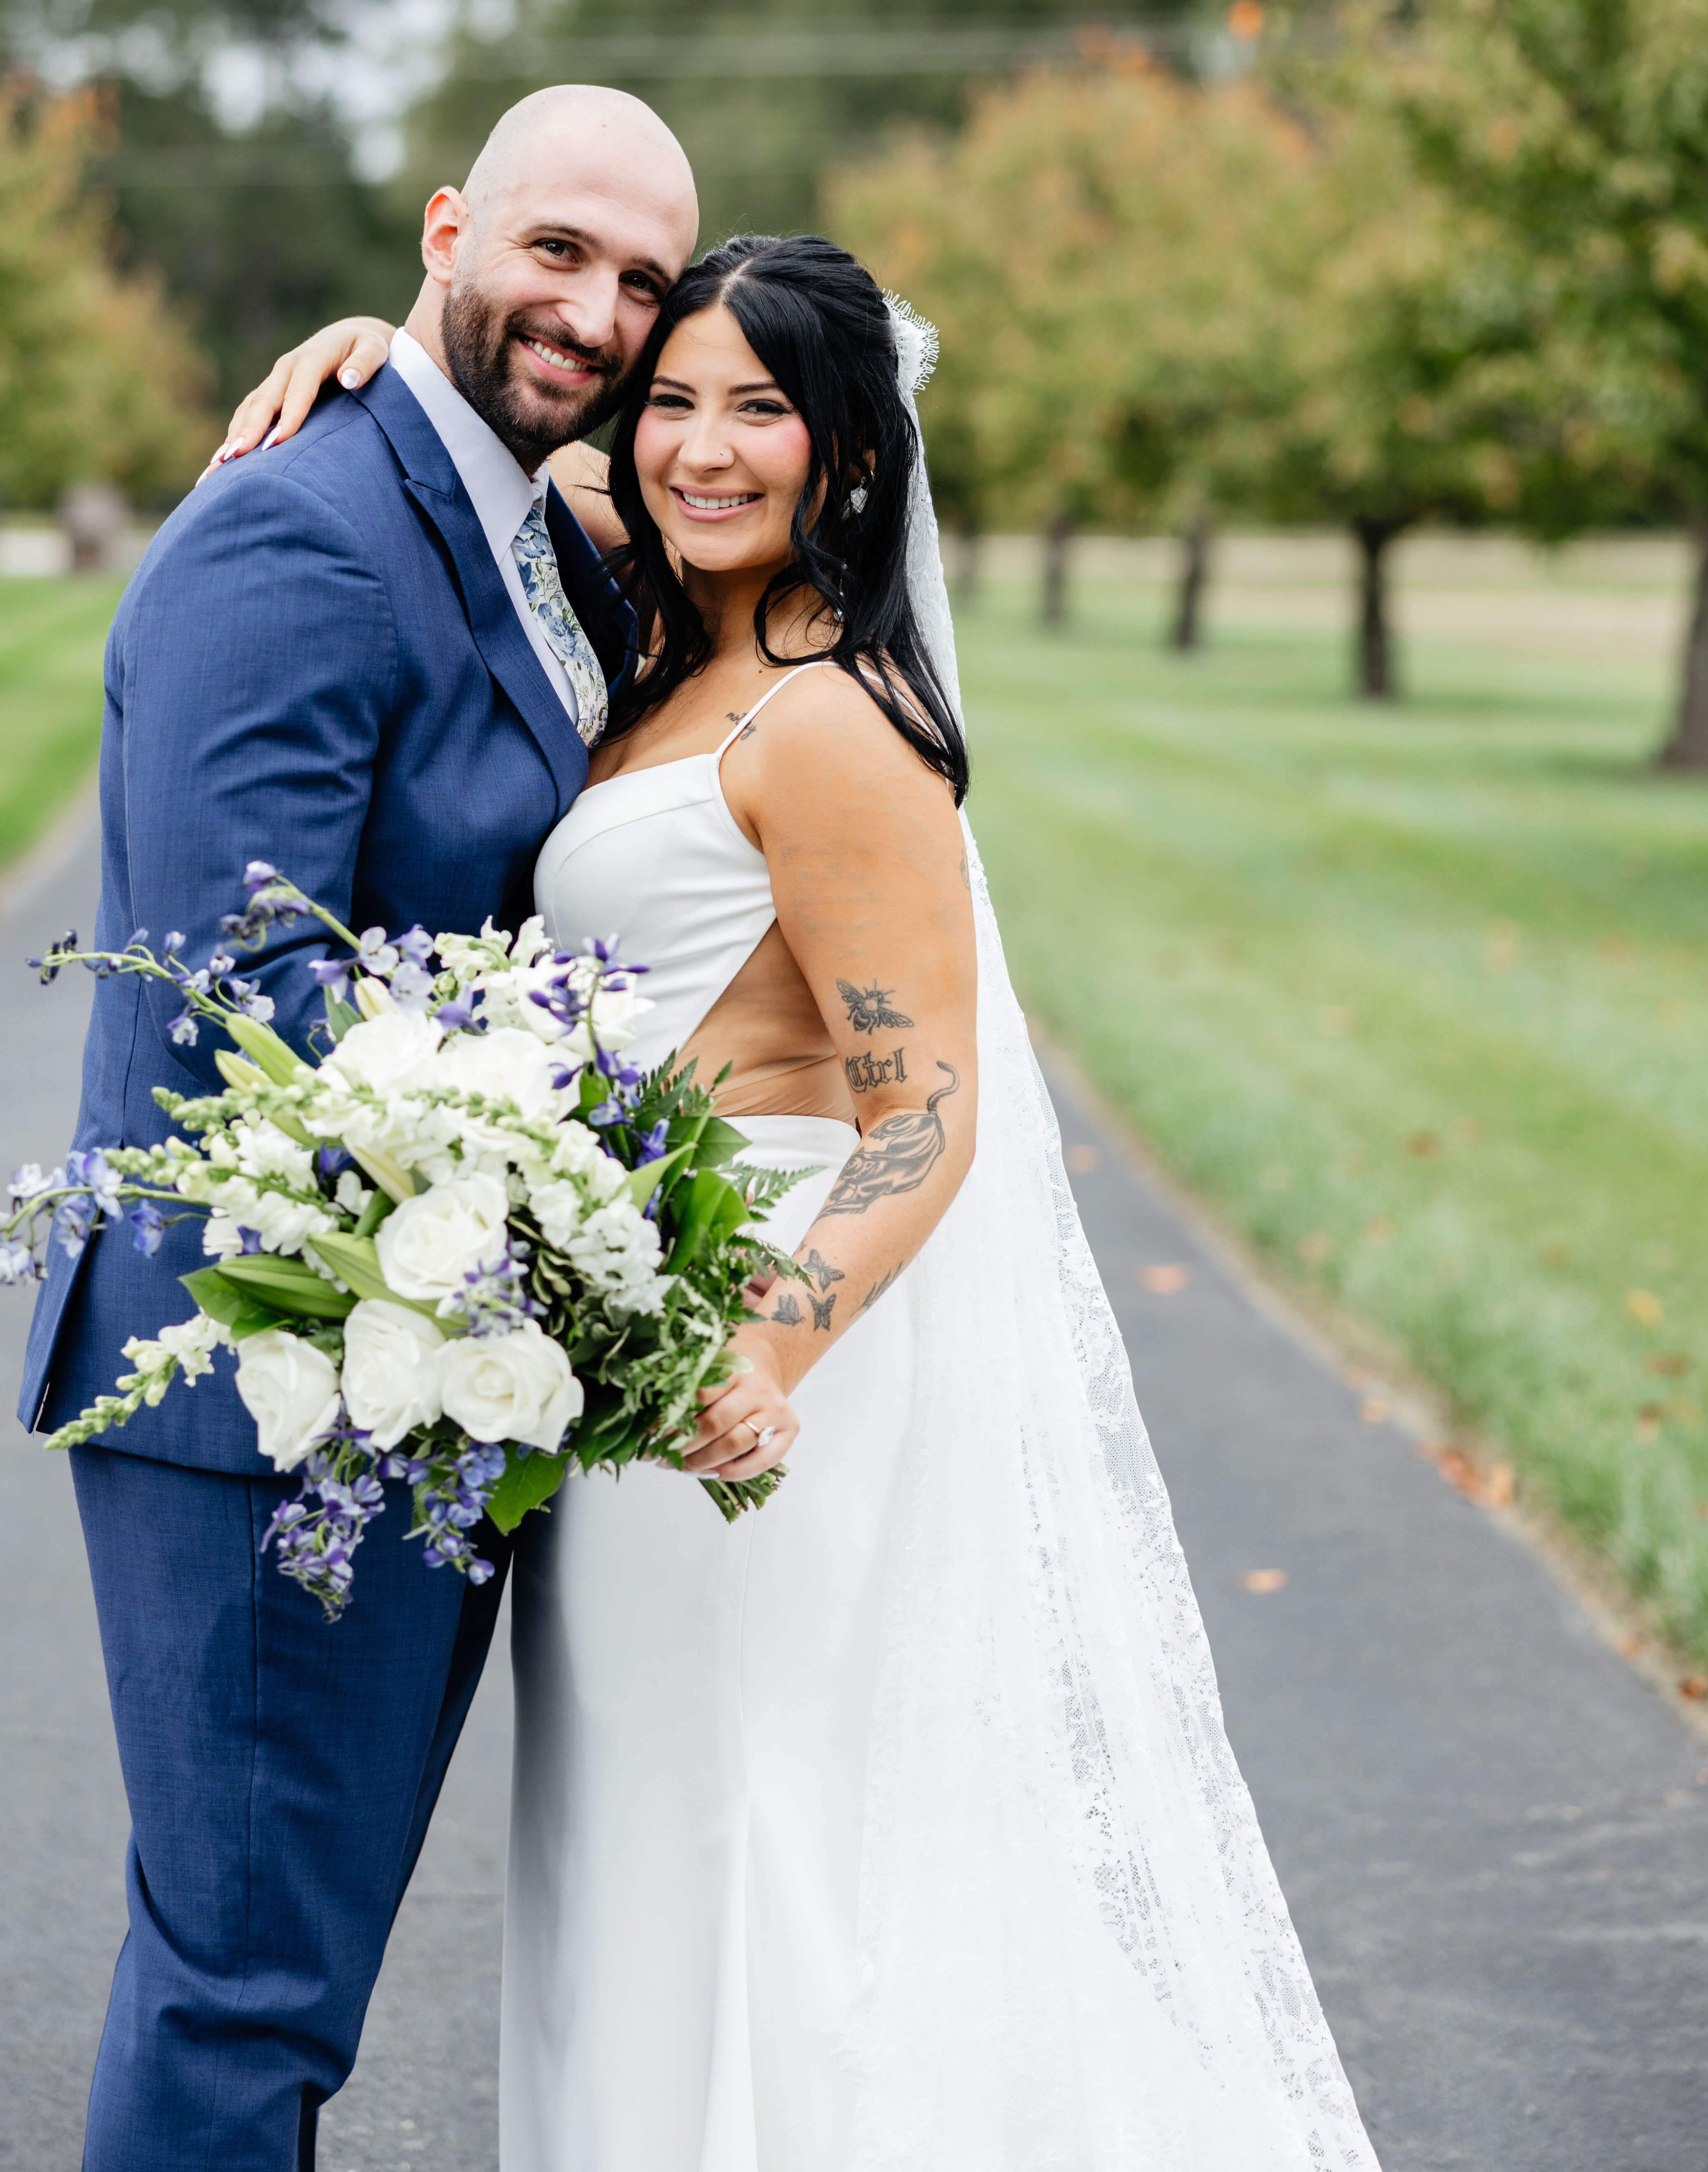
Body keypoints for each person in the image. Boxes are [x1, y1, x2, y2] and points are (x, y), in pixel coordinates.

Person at [223, 236, 1383, 2170]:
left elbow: (922, 1100)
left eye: (758, 407)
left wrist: (763, 1342)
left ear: (847, 452)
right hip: (617, 1335)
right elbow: (517, 443)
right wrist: (372, 338)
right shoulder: (673, 634)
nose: (697, 444)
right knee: (638, 1829)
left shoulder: (830, 718)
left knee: (755, 1834)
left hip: (757, 1351)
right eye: (669, 394)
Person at [17, 84, 698, 2172]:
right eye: (552, 247)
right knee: (243, 1992)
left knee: (276, 1988)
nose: (590, 309)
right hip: (268, 1384)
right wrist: (565, 1200)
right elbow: (245, 1007)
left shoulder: (523, 520)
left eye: (641, 282)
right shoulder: (295, 524)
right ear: (442, 228)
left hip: (421, 1380)